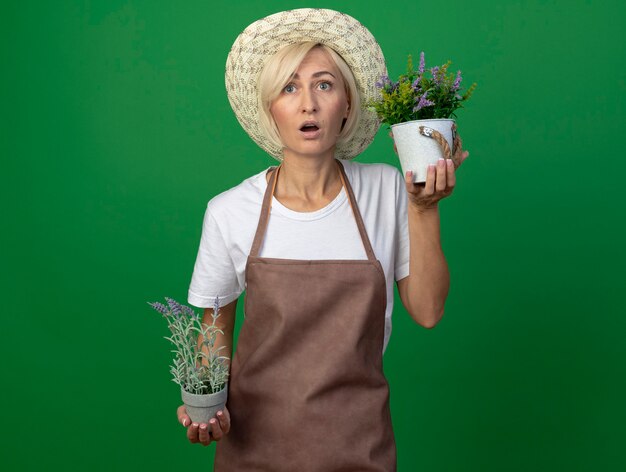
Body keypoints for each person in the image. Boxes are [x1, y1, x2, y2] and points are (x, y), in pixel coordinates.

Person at [178, 8, 468, 471]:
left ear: (348, 103)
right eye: (289, 87)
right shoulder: (230, 211)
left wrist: (425, 208)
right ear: (270, 107)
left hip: (359, 450)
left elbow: (428, 311)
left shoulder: (387, 189)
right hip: (254, 454)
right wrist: (205, 405)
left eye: (324, 84)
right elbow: (214, 332)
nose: (308, 103)